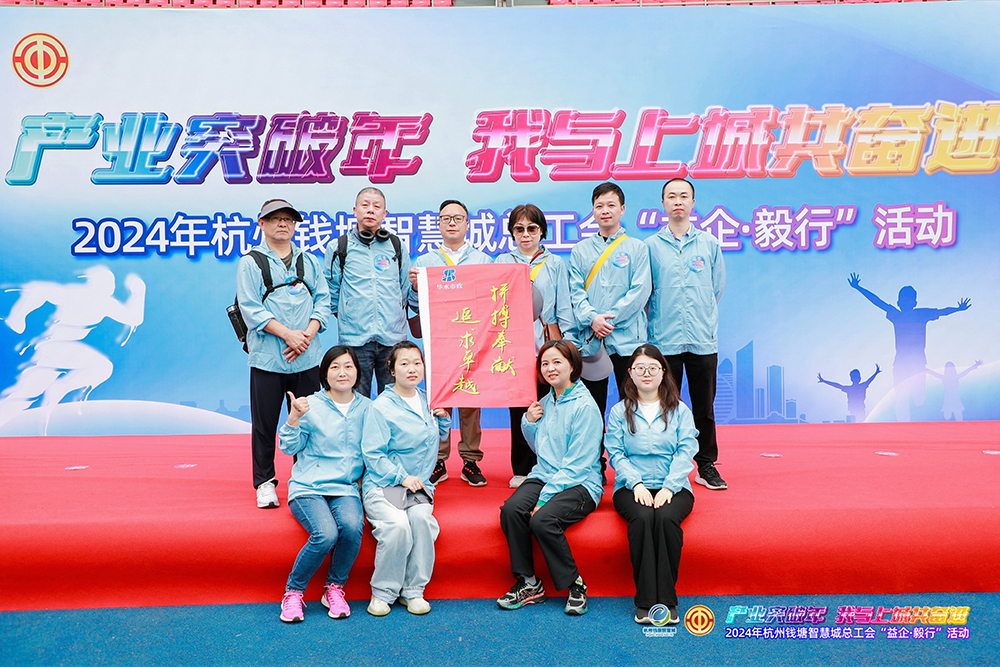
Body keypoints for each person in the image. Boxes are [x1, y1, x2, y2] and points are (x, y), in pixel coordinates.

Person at [497, 340, 603, 616]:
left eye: (557, 362)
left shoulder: (585, 406)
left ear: (572, 366)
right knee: (511, 510)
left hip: (581, 483)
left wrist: (544, 498)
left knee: (542, 520)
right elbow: (540, 448)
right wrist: (529, 422)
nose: (550, 368)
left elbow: (578, 465)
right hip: (545, 474)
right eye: (545, 363)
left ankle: (575, 584)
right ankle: (529, 583)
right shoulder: (547, 401)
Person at [237, 199, 330, 508]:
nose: (282, 224)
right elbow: (250, 308)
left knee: (309, 421)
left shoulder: (309, 261)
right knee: (264, 424)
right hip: (268, 358)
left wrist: (307, 335)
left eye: (288, 219)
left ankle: (307, 479)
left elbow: (323, 301)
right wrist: (288, 335)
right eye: (275, 218)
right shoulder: (251, 262)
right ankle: (265, 482)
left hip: (307, 357)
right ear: (261, 223)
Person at [605, 344, 697, 626]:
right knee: (643, 519)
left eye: (653, 368)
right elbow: (616, 454)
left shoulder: (679, 409)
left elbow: (686, 450)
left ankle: (667, 601)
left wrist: (669, 486)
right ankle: (645, 603)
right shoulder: (619, 411)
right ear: (630, 373)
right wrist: (636, 484)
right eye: (640, 368)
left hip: (674, 486)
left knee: (667, 519)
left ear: (663, 372)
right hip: (631, 487)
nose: (647, 373)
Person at [277, 346, 370, 623]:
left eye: (348, 366)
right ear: (325, 374)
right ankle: (293, 592)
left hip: (345, 487)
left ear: (357, 372)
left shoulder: (368, 408)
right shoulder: (309, 404)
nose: (342, 373)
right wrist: (294, 418)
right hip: (309, 487)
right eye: (335, 367)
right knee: (326, 534)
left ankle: (334, 588)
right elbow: (289, 447)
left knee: (352, 527)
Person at [646, 178, 727, 490]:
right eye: (671, 196)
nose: (677, 201)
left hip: (701, 339)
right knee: (665, 406)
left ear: (693, 203)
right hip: (664, 339)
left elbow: (716, 288)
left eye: (683, 196)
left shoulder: (709, 244)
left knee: (704, 407)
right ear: (663, 203)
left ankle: (705, 465)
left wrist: (701, 315)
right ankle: (666, 465)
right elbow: (646, 292)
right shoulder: (651, 247)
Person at [361, 341, 451, 617]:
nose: (412, 369)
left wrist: (443, 419)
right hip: (384, 484)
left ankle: (413, 590)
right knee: (398, 526)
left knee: (422, 521)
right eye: (404, 363)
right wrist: (402, 477)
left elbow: (438, 437)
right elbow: (373, 455)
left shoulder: (428, 400)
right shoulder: (381, 407)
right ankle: (382, 592)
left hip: (419, 487)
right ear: (391, 369)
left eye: (417, 363)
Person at [568, 182, 651, 476]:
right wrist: (592, 319)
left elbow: (640, 291)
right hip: (591, 342)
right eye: (599, 206)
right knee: (592, 408)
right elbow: (575, 291)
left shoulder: (637, 248)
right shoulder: (579, 251)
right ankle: (594, 465)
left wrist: (609, 320)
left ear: (622, 209)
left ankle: (636, 465)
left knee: (634, 405)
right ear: (593, 211)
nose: (605, 211)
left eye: (611, 205)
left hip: (629, 341)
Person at [408, 200, 493, 488]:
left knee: (471, 402)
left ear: (468, 224)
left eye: (458, 218)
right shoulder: (424, 263)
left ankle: (470, 460)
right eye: (446, 218)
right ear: (438, 224)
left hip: (473, 342)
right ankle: (438, 459)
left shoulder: (483, 261)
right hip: (439, 343)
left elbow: (493, 299)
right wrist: (415, 288)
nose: (452, 223)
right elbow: (412, 305)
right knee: (439, 402)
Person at [495, 203, 577, 489]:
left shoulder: (554, 263)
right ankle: (521, 468)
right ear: (512, 233)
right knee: (519, 408)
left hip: (547, 343)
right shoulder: (502, 262)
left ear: (542, 231)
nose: (526, 234)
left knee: (549, 405)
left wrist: (568, 343)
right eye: (519, 229)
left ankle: (549, 464)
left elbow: (564, 305)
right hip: (513, 344)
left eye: (532, 228)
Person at [325, 187, 411, 398]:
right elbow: (332, 294)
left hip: (392, 340)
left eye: (376, 206)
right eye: (365, 205)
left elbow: (405, 290)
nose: (370, 210)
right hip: (355, 341)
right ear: (355, 211)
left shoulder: (396, 245)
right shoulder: (339, 246)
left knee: (393, 403)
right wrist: (350, 317)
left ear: (385, 213)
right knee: (356, 402)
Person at [848, 274, 972, 422]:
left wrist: (958, 309)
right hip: (903, 363)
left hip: (916, 363)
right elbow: (878, 301)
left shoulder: (915, 314)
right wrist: (958, 309)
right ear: (904, 302)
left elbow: (878, 302)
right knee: (902, 398)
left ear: (911, 303)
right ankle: (904, 425)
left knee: (917, 399)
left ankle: (916, 420)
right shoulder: (907, 314)